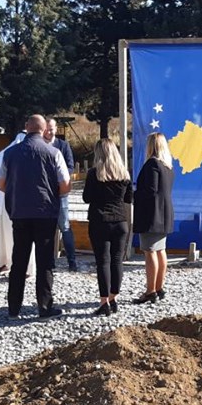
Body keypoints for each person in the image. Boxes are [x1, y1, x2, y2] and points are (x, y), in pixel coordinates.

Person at [0, 114, 70, 319]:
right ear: (44, 129)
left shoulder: (10, 153)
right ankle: (44, 307)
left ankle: (13, 308)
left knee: (19, 260)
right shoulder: (54, 152)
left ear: (26, 127)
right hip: (45, 213)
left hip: (19, 213)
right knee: (45, 261)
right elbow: (65, 185)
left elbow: (1, 184)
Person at [82, 138, 132, 316]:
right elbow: (128, 199)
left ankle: (104, 302)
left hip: (100, 221)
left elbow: (86, 198)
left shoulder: (94, 174)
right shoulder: (124, 174)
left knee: (102, 261)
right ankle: (113, 297)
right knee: (117, 260)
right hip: (120, 221)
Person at [132, 132, 174, 304]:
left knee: (149, 251)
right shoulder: (167, 166)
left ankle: (150, 291)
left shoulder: (152, 164)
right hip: (164, 214)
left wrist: (134, 194)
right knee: (160, 250)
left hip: (151, 215)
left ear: (151, 146)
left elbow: (150, 191)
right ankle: (159, 287)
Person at [0, 129, 33, 277]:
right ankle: (26, 268)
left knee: (6, 237)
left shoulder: (4, 154)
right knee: (23, 239)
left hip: (4, 203)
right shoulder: (27, 155)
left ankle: (3, 263)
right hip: (21, 204)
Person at [43, 118, 78, 271]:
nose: (49, 132)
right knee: (47, 229)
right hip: (44, 193)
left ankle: (72, 261)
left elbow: (70, 166)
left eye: (51, 129)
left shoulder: (63, 146)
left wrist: (60, 177)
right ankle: (49, 262)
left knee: (65, 226)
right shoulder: (39, 145)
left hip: (60, 192)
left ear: (56, 129)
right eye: (47, 129)